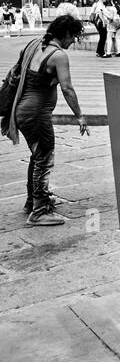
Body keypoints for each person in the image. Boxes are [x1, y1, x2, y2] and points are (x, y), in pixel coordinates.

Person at [1, 13, 90, 226]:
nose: (73, 42)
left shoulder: (34, 45)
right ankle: (39, 210)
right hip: (36, 114)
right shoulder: (58, 55)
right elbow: (67, 88)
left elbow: (15, 72)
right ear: (66, 33)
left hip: (23, 111)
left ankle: (33, 200)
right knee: (44, 157)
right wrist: (80, 116)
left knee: (37, 155)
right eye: (74, 37)